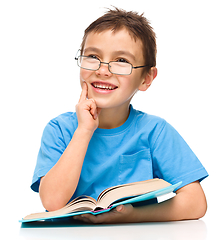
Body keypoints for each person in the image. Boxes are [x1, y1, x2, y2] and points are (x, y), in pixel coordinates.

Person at [31, 7, 208, 224]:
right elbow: (52, 202)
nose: (103, 70)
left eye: (121, 61)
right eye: (93, 56)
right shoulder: (58, 129)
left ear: (146, 79)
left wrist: (133, 216)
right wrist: (84, 130)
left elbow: (196, 202)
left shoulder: (155, 131)